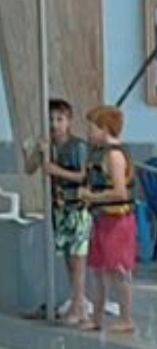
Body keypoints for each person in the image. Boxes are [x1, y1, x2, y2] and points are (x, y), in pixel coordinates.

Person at [22, 98, 90, 326]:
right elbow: (30, 169)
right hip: (59, 210)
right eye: (51, 120)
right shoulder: (48, 147)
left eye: (59, 119)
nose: (54, 125)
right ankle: (76, 302)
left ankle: (79, 305)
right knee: (69, 261)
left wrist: (56, 170)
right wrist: (34, 152)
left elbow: (83, 176)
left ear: (68, 121)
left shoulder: (77, 147)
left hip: (77, 209)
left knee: (77, 259)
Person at [78, 105, 136, 334]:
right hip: (101, 219)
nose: (88, 133)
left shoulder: (114, 156)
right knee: (97, 269)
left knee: (117, 270)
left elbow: (120, 192)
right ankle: (97, 316)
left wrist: (92, 196)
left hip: (117, 221)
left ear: (104, 129)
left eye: (91, 128)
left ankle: (126, 317)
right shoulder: (100, 155)